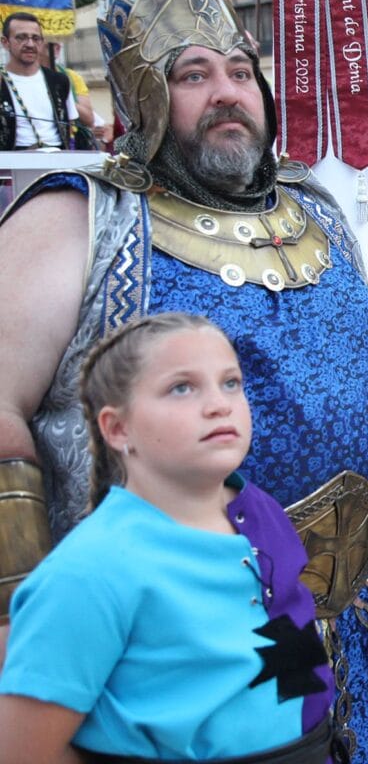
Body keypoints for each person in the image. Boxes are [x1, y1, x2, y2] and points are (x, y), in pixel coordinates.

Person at [0, 0, 368, 763]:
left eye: (239, 70)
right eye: (193, 74)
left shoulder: (314, 206)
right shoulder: (77, 219)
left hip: (349, 622)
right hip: (169, 652)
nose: (226, 92)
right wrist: (15, 629)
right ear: (143, 93)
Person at [0, 313, 336, 763]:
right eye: (182, 387)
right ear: (117, 429)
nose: (219, 404)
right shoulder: (92, 570)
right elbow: (25, 751)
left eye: (231, 383)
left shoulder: (260, 511)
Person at [0, 13, 87, 150]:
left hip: (57, 160)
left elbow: (70, 125)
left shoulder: (60, 81)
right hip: (10, 162)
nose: (30, 44)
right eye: (21, 37)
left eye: (36, 38)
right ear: (5, 42)